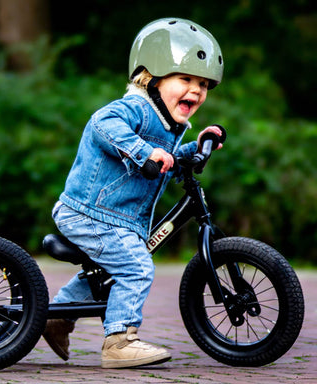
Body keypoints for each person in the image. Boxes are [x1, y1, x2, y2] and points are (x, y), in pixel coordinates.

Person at [43, 17, 224, 368]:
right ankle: (119, 342)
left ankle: (56, 318)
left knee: (108, 273)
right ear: (152, 77)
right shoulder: (136, 108)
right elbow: (102, 124)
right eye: (185, 79)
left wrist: (197, 145)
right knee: (136, 267)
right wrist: (143, 152)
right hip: (89, 213)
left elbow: (166, 158)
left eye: (203, 84)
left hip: (116, 219)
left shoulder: (172, 123)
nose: (196, 90)